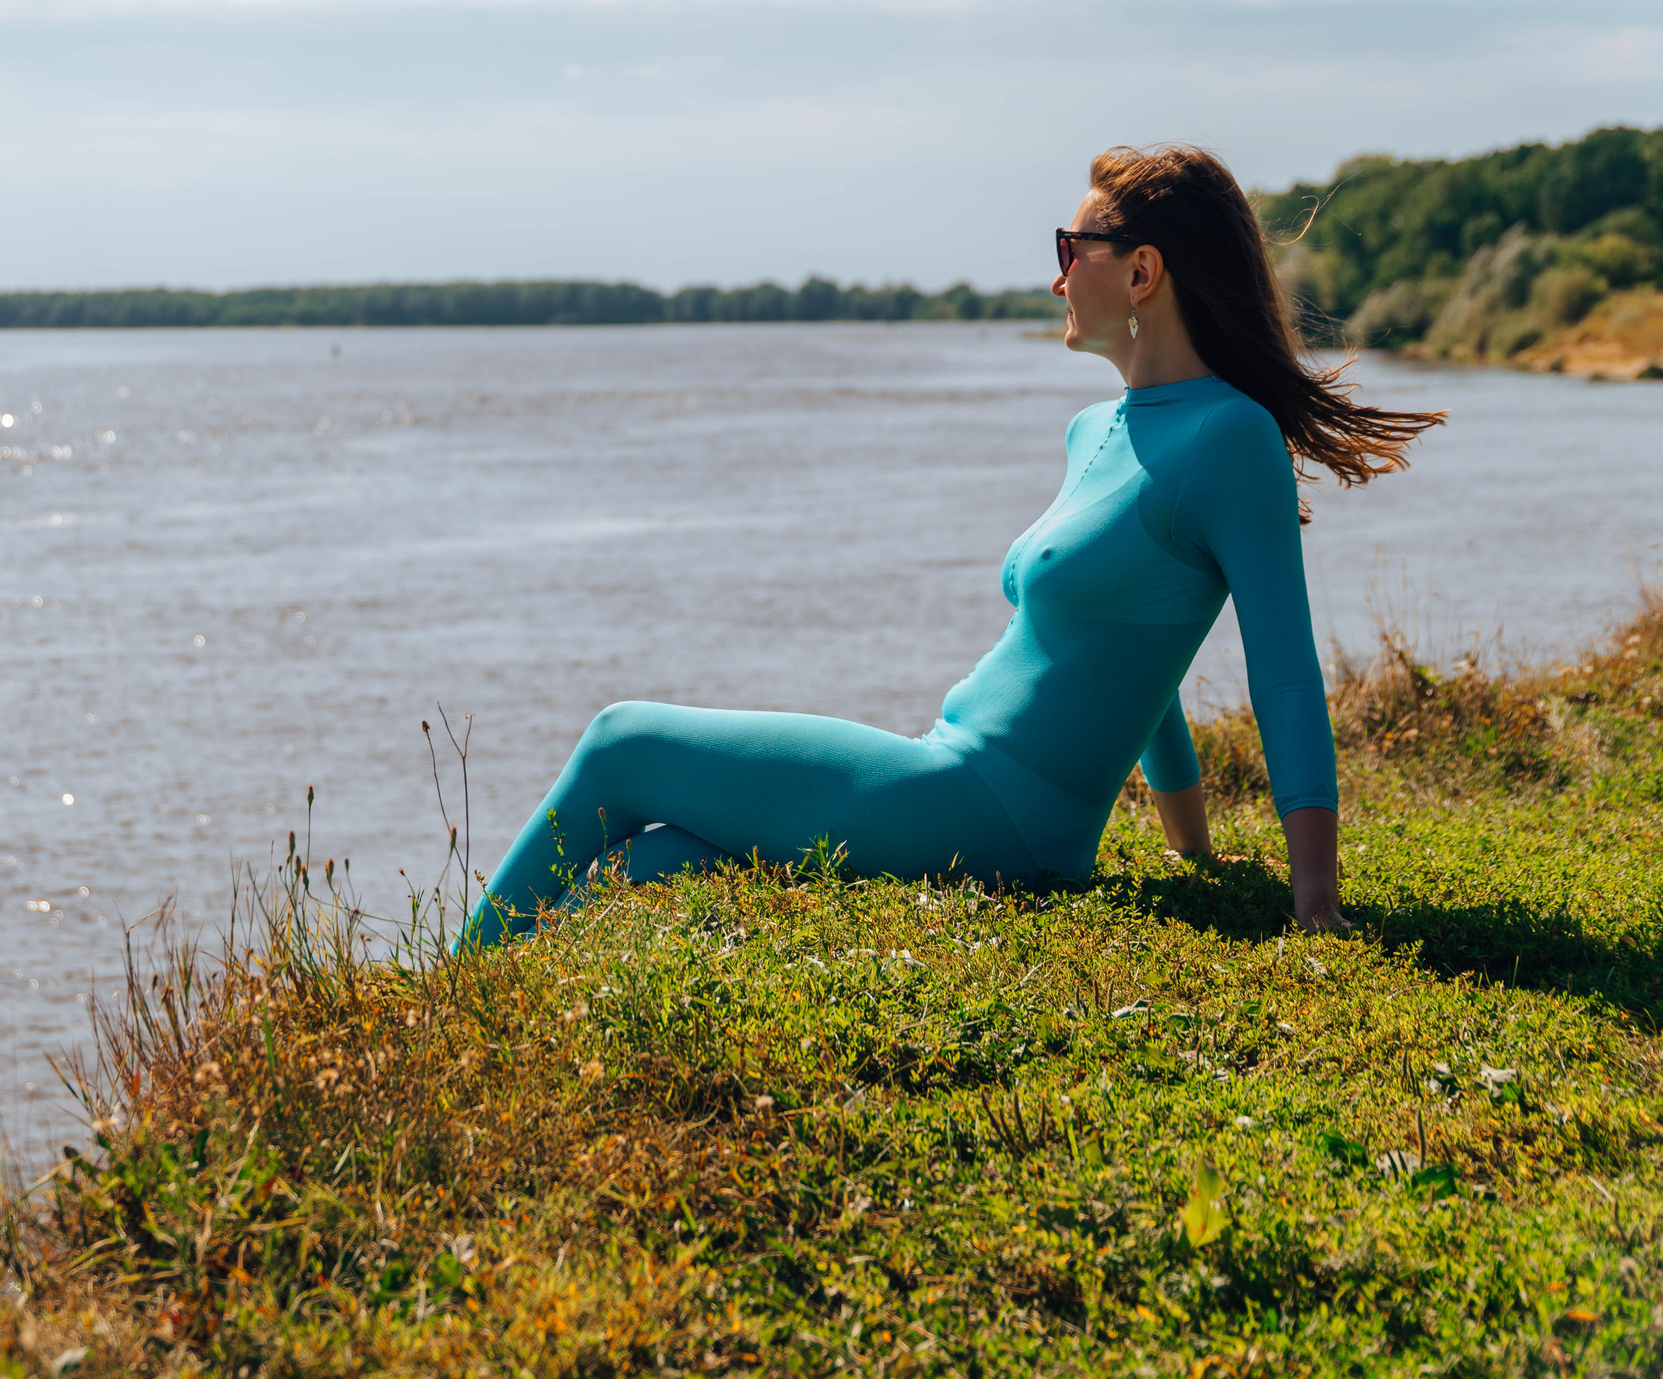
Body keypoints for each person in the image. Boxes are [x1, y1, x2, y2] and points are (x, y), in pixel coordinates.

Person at [461, 145, 1442, 949]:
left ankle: (443, 994)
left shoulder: (1229, 439)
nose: (1056, 276)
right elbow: (1138, 652)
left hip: (993, 813)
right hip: (950, 772)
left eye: (1072, 249)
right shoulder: (1094, 432)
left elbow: (1284, 673)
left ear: (1142, 272)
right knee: (655, 859)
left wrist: (1315, 903)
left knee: (622, 741)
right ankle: (477, 1012)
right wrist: (1191, 846)